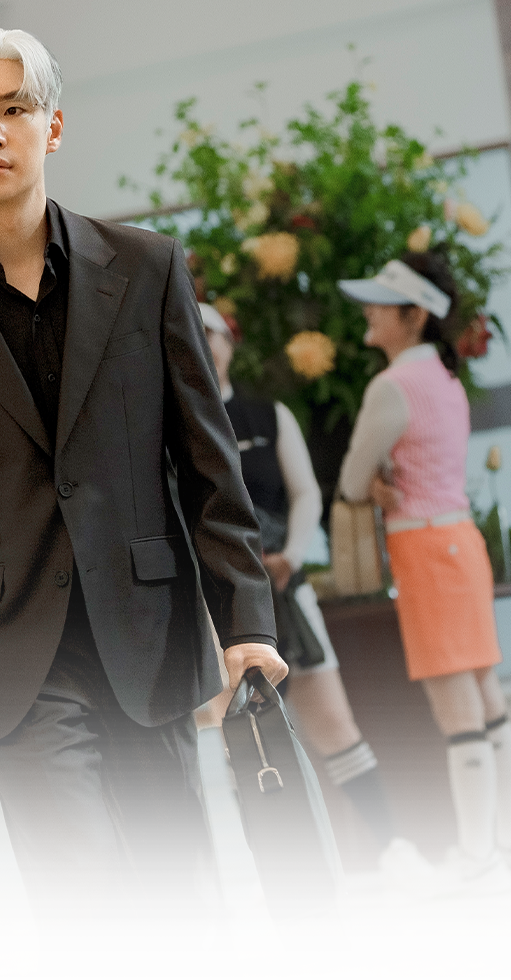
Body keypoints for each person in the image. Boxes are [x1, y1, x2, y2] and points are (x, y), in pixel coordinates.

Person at [0, 26, 287, 980]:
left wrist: (246, 626)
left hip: (147, 633)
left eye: (14, 109)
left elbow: (209, 470)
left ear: (53, 125)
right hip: (11, 653)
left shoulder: (148, 269)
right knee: (81, 884)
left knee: (181, 913)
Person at [200, 301, 439, 902]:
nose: (204, 342)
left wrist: (293, 554)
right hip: (216, 604)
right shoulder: (169, 423)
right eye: (192, 332)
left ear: (231, 342)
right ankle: (280, 869)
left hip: (286, 589)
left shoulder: (267, 414)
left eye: (213, 332)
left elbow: (306, 491)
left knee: (333, 722)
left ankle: (395, 849)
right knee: (243, 740)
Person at [338, 253, 511, 897]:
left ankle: (481, 862)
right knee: (487, 702)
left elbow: (353, 480)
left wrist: (378, 486)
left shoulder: (393, 386)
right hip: (460, 543)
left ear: (413, 315)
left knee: (458, 709)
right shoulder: (444, 376)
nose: (368, 310)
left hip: (426, 550)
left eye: (380, 302)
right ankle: (498, 849)